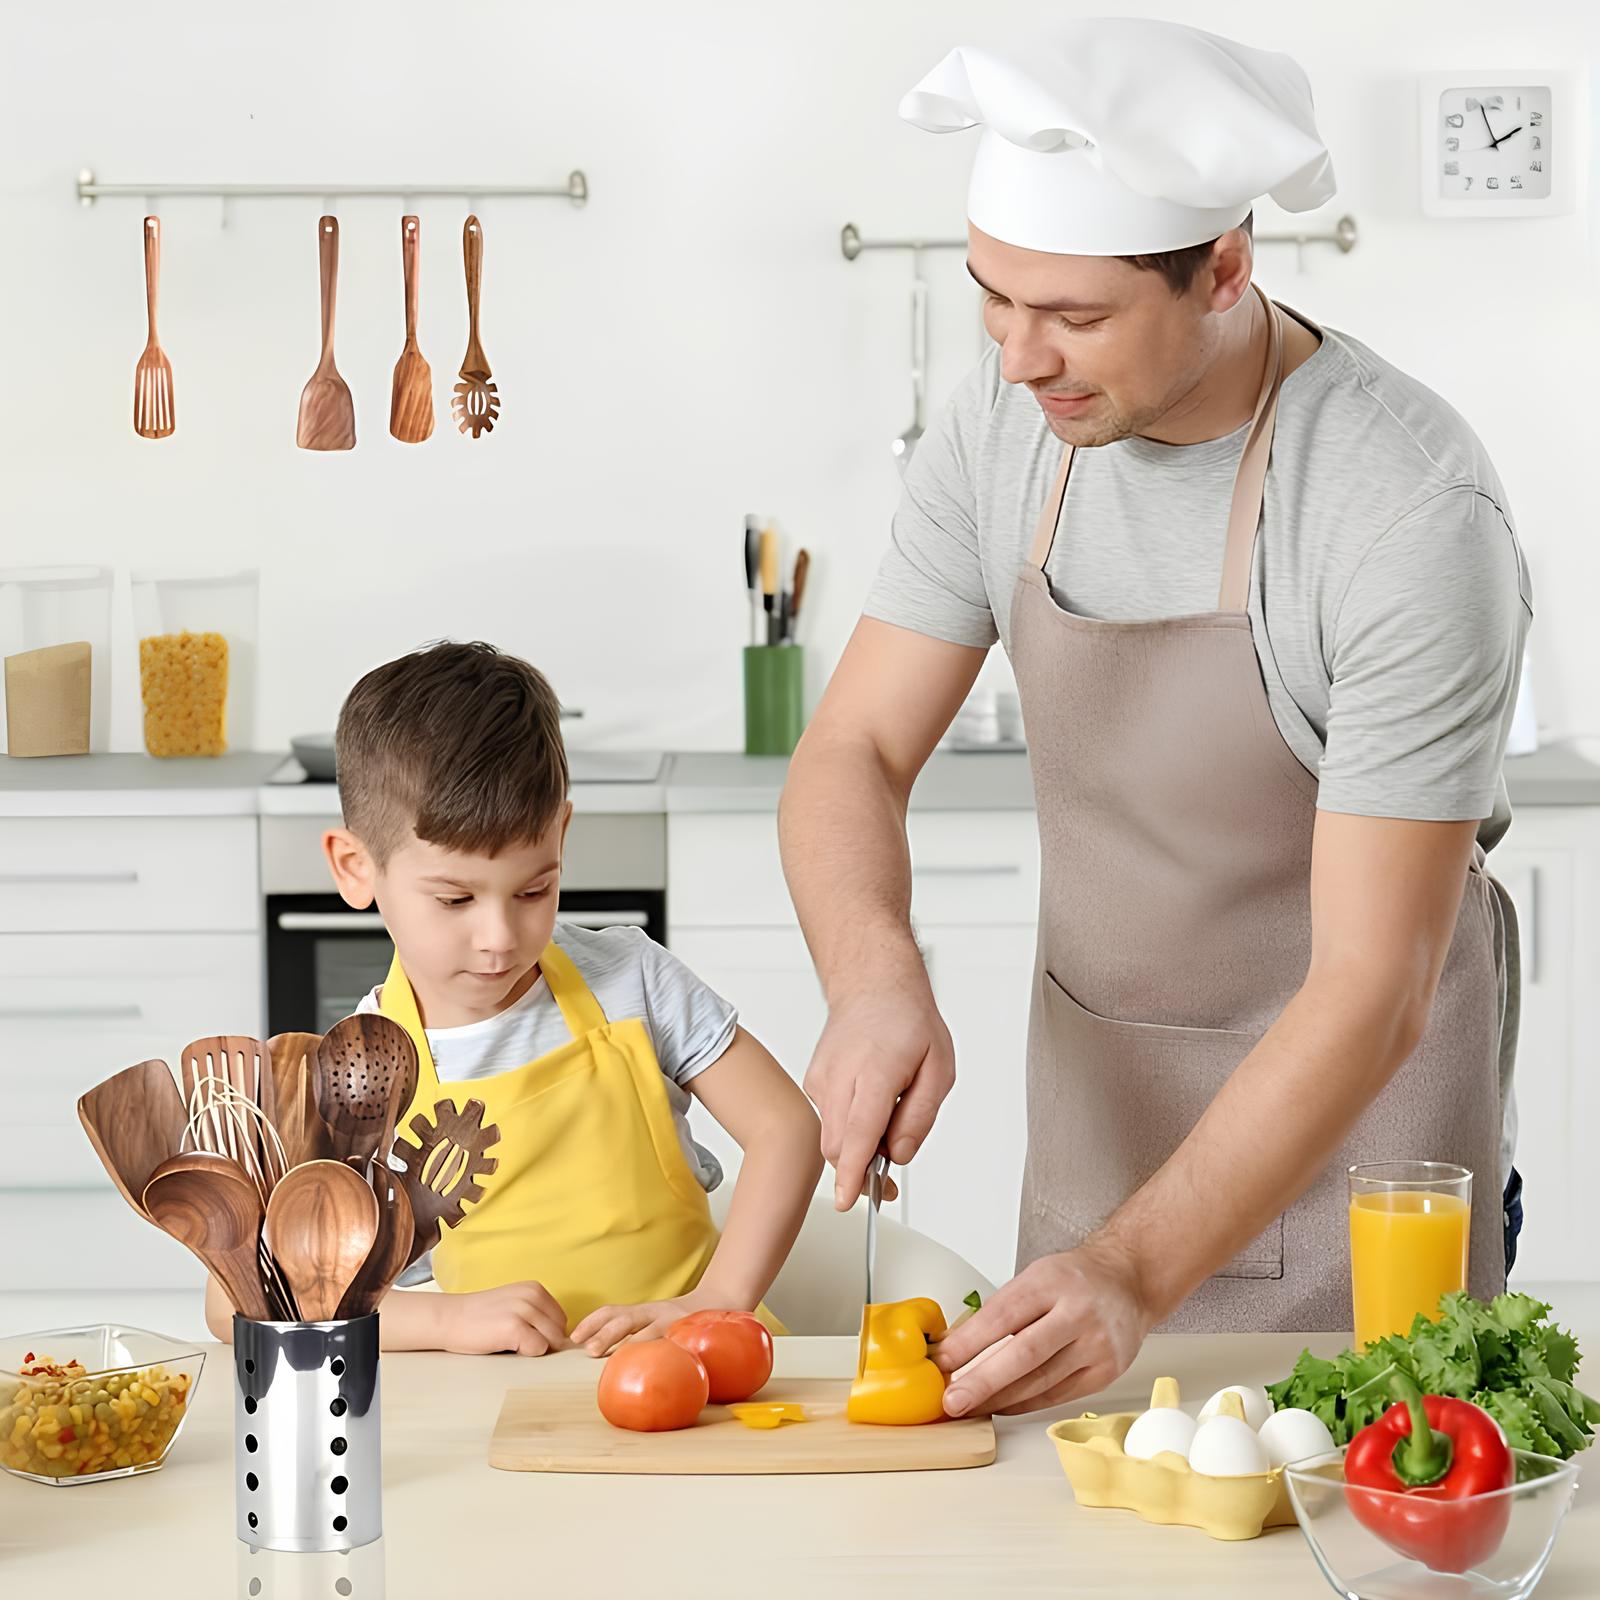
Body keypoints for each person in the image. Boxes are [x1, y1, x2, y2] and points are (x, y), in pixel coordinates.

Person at [780, 19, 1531, 1418]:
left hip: (1365, 1182)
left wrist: (1137, 1269)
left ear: (1226, 272)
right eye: (993, 301)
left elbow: (1377, 985)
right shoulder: (1004, 434)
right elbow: (855, 752)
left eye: (1072, 319)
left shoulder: (1403, 510)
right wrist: (875, 973)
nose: (1017, 360)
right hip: (1099, 1155)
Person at [206, 640, 821, 1354]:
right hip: (507, 1411)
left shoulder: (631, 980)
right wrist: (445, 1320)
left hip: (702, 1372)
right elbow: (236, 1298)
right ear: (356, 867)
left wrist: (717, 1299)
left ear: (560, 832)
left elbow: (788, 1131)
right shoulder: (358, 1074)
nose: (500, 937)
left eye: (534, 889)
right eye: (455, 898)